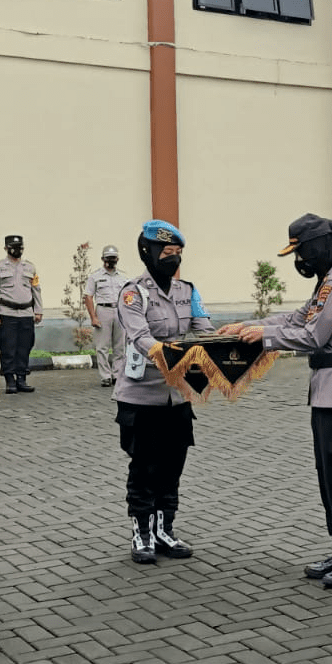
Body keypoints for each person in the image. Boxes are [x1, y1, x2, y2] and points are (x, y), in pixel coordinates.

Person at [222, 215, 332, 587]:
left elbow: (312, 336)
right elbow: (298, 316)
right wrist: (249, 326)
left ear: (319, 247)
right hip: (328, 390)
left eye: (301, 251)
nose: (299, 260)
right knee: (329, 476)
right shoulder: (327, 285)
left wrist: (263, 337)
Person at [115, 220, 212, 564]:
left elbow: (203, 328)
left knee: (173, 465)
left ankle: (164, 530)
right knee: (145, 467)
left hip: (178, 395)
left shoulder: (189, 291)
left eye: (178, 253)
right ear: (149, 253)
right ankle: (141, 533)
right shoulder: (132, 292)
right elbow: (141, 338)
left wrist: (214, 350)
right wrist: (176, 355)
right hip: (142, 396)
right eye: (168, 253)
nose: (173, 259)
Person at [0, 234, 41, 394]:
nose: (17, 250)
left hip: (26, 313)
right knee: (8, 348)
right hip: (7, 313)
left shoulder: (30, 267)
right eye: (13, 247)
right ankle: (10, 380)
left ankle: (22, 379)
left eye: (20, 248)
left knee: (25, 347)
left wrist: (38, 311)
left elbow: (36, 290)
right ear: (6, 248)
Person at [86, 245, 129, 386]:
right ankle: (105, 376)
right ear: (102, 259)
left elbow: (128, 296)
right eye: (108, 258)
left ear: (117, 259)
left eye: (113, 258)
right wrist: (93, 317)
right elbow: (88, 297)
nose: (111, 261)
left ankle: (117, 374)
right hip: (103, 310)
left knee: (120, 346)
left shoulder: (123, 276)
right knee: (102, 347)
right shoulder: (95, 276)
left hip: (119, 311)